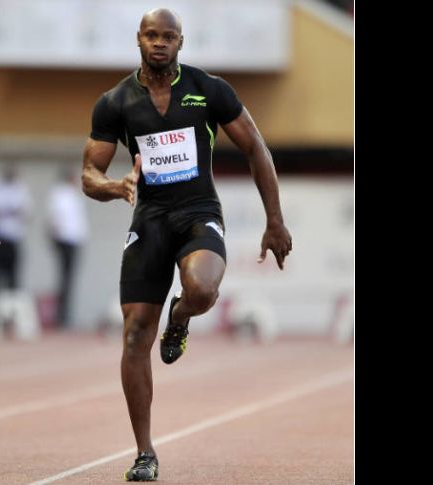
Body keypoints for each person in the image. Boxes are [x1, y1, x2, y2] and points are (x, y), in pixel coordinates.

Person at [81, 8, 292, 481]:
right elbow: (88, 173)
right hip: (150, 220)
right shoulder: (115, 102)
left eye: (168, 37)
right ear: (139, 38)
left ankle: (179, 318)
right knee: (135, 332)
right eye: (152, 35)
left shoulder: (209, 89)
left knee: (200, 290)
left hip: (199, 213)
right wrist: (115, 186)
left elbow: (256, 146)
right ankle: (144, 453)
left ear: (181, 41)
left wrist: (274, 220)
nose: (160, 43)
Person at [0, 163, 32, 322]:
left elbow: (27, 212)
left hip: (14, 238)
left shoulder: (21, 189)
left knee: (13, 279)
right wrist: (9, 211)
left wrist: (8, 211)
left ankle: (12, 317)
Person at [47, 166, 88, 328]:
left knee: (68, 279)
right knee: (64, 278)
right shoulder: (59, 193)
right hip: (65, 239)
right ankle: (61, 316)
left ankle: (65, 314)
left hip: (74, 240)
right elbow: (54, 218)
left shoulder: (73, 194)